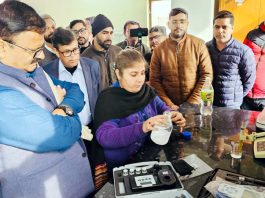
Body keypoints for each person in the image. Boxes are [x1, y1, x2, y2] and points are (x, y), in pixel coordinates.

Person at [0, 1, 94, 197]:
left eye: (41, 47)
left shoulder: (32, 68)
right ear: (2, 46)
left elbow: (75, 90)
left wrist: (63, 108)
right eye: (33, 50)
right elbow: (62, 133)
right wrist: (68, 114)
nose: (42, 55)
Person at [94, 49, 186, 170]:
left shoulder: (146, 91)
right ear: (118, 74)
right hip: (122, 165)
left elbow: (162, 108)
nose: (140, 79)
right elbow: (105, 137)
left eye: (142, 73)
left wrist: (172, 115)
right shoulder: (108, 99)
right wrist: (143, 127)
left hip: (147, 155)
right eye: (133, 74)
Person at [150, 8, 212, 110]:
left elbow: (206, 75)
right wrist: (169, 104)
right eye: (174, 22)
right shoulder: (159, 50)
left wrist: (191, 102)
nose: (178, 25)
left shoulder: (199, 44)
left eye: (182, 21)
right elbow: (154, 81)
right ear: (168, 24)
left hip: (195, 106)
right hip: (168, 108)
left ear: (187, 23)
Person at [43, 27, 100, 127]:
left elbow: (98, 97)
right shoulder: (47, 72)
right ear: (56, 51)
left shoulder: (92, 67)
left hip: (91, 128)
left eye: (75, 49)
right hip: (65, 129)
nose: (73, 56)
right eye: (67, 52)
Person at [207, 10, 256, 109]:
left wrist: (236, 97)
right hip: (209, 103)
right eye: (217, 27)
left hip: (232, 106)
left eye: (224, 27)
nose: (220, 31)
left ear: (232, 28)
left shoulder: (243, 51)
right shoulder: (205, 48)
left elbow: (249, 80)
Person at [82, 14, 122, 90]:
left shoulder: (119, 52)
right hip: (99, 101)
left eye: (111, 33)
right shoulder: (85, 58)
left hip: (119, 98)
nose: (109, 37)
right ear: (95, 34)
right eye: (105, 33)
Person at [241, 19, 265, 111]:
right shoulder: (252, 34)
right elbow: (241, 58)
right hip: (246, 95)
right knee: (243, 124)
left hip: (263, 98)